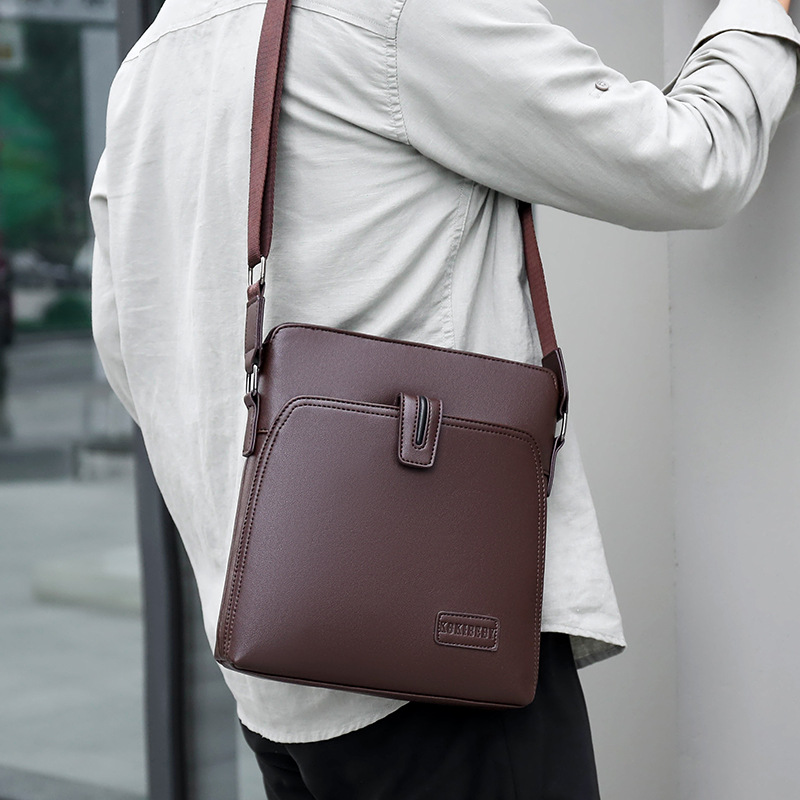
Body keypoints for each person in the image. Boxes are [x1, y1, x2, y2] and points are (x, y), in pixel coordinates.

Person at [90, 0, 799, 797]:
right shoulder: (405, 13)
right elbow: (689, 163)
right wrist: (758, 14)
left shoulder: (153, 55)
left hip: (274, 670)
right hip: (433, 653)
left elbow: (131, 346)